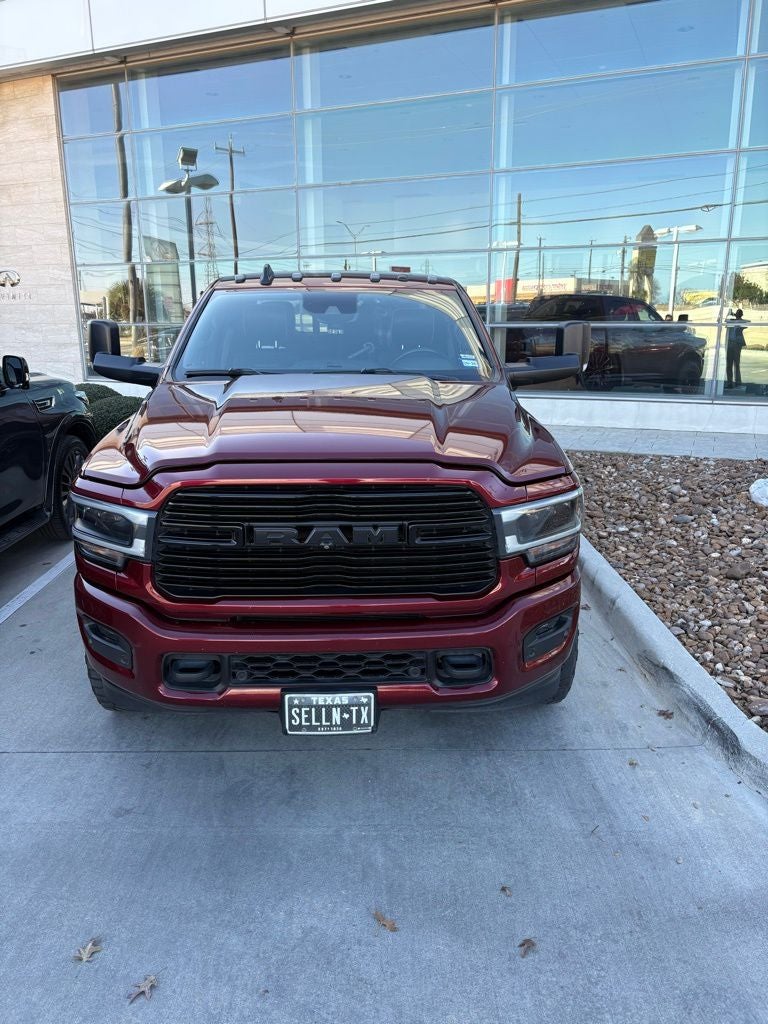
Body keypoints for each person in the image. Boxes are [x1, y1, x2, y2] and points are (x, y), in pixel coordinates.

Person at [725, 308, 747, 389]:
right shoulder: (732, 321)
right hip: (730, 343)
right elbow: (725, 321)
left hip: (737, 344)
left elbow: (746, 323)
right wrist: (732, 315)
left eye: (739, 313)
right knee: (729, 364)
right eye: (737, 313)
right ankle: (729, 382)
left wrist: (737, 317)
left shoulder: (742, 322)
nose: (737, 314)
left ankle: (738, 381)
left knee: (736, 364)